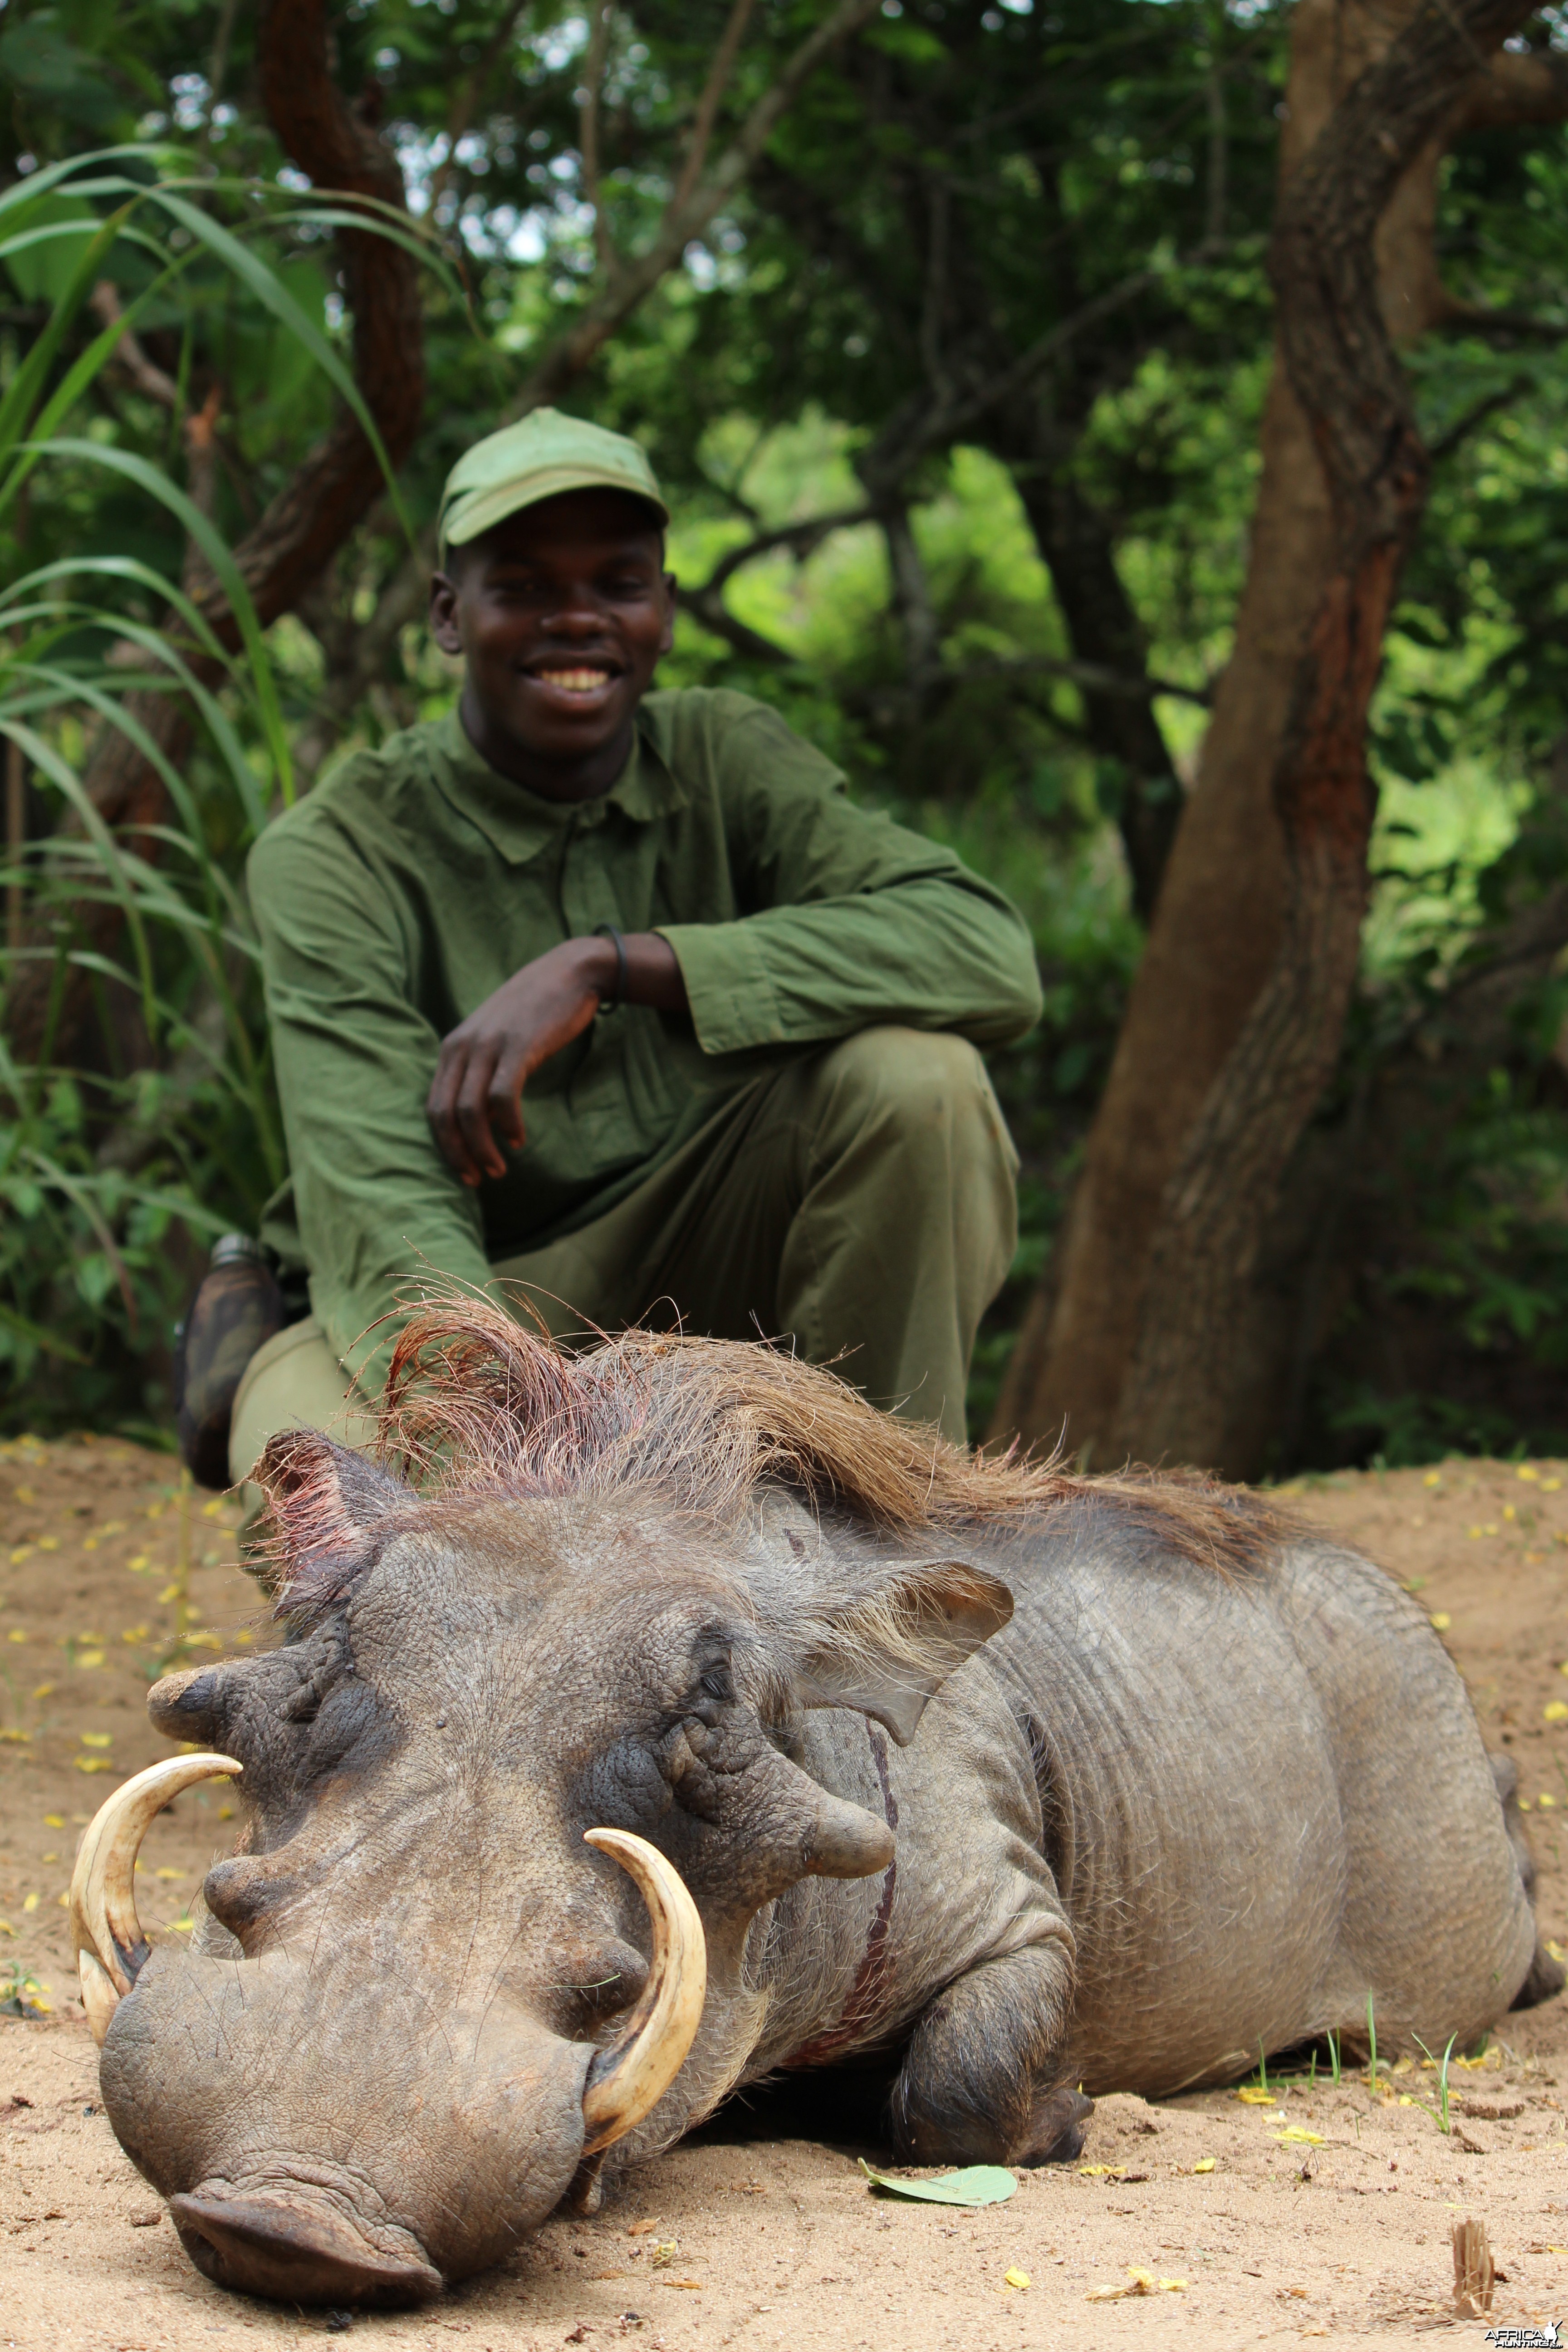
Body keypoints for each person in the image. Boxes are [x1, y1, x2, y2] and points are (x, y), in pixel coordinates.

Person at [216, 408, 1042, 1485]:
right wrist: (510, 1449)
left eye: (617, 583)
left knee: (921, 1082)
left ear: (664, 611)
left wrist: (617, 964)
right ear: (448, 616)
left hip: (712, 1266)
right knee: (332, 1494)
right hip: (467, 1286)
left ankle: (874, 1539)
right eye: (521, 587)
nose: (576, 620)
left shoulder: (727, 759)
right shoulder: (337, 850)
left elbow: (983, 951)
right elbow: (387, 1217)